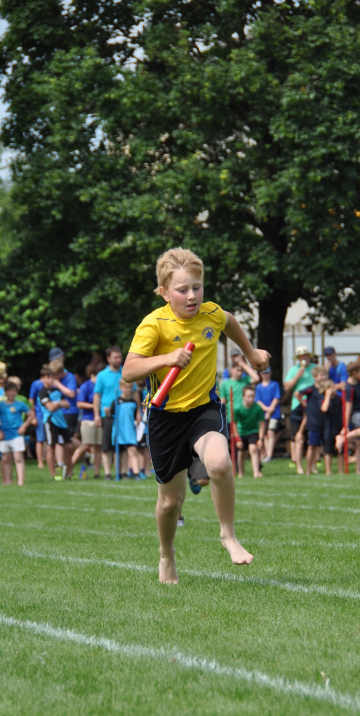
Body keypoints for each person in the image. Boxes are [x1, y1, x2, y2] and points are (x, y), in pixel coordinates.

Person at [123, 246, 270, 584]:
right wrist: (166, 359)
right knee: (171, 502)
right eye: (182, 290)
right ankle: (166, 554)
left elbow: (228, 320)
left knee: (219, 464)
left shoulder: (211, 314)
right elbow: (129, 372)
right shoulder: (153, 324)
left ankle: (228, 535)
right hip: (165, 417)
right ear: (164, 292)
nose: (191, 296)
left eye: (197, 287)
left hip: (204, 409)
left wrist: (250, 352)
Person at [0, 382, 34, 485]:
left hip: (16, 434)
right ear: (5, 392)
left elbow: (31, 414)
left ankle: (20, 481)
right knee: (5, 459)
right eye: (9, 391)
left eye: (14, 391)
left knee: (18, 458)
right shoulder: (0, 405)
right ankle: (7, 480)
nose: (12, 393)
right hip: (4, 434)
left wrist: (24, 426)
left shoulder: (20, 404)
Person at [336, 361, 360, 474]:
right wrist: (346, 425)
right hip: (355, 414)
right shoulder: (349, 388)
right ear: (354, 373)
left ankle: (358, 470)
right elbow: (348, 407)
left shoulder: (358, 383)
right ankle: (344, 437)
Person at [283, 346, 315, 475]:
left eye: (305, 355)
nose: (303, 358)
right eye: (301, 356)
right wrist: (297, 376)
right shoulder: (294, 370)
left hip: (312, 404)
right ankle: (298, 465)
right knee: (297, 437)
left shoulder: (314, 368)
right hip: (297, 405)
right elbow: (287, 387)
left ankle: (312, 465)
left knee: (312, 437)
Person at [94, 346, 123, 480]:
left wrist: (138, 413)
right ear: (108, 359)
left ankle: (121, 472)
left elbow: (134, 392)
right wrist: (96, 415)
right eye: (115, 357)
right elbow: (97, 396)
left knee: (122, 445)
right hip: (107, 415)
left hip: (123, 414)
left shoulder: (126, 372)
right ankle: (107, 473)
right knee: (106, 445)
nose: (118, 360)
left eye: (119, 357)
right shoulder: (102, 375)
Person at [38, 367, 72, 480]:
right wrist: (59, 403)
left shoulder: (57, 391)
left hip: (61, 421)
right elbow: (50, 408)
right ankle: (54, 474)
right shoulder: (42, 392)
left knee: (68, 446)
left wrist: (56, 403)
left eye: (52, 377)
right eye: (47, 377)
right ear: (42, 379)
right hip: (50, 421)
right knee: (51, 447)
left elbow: (67, 404)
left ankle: (69, 473)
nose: (50, 379)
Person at [72, 367, 102, 476]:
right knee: (86, 445)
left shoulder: (101, 386)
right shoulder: (86, 386)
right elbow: (79, 403)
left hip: (100, 419)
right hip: (88, 420)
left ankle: (97, 472)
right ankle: (69, 467)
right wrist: (94, 406)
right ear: (92, 375)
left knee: (98, 446)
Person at [49, 349, 79, 458]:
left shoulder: (69, 377)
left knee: (67, 439)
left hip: (69, 411)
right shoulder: (54, 378)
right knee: (60, 439)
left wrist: (57, 384)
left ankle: (84, 450)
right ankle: (61, 462)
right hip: (57, 412)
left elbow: (71, 394)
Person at [109, 379, 141, 479]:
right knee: (119, 453)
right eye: (126, 387)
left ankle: (134, 473)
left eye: (130, 388)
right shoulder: (116, 401)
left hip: (130, 431)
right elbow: (111, 414)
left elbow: (135, 416)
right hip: (119, 431)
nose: (128, 389)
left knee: (132, 450)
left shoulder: (134, 402)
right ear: (121, 388)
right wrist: (107, 412)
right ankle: (119, 472)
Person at [234, 385, 266, 478]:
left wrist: (261, 439)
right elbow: (234, 424)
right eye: (248, 396)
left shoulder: (257, 408)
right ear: (243, 397)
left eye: (252, 396)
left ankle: (256, 472)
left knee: (253, 448)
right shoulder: (237, 408)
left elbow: (262, 424)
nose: (251, 399)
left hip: (253, 431)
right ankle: (241, 473)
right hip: (241, 432)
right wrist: (237, 439)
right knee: (241, 453)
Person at [255, 367, 281, 463]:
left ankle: (270, 454)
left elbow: (276, 398)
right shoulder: (258, 387)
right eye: (263, 373)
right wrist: (266, 410)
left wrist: (270, 410)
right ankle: (266, 453)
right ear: (260, 374)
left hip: (274, 413)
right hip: (263, 413)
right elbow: (258, 401)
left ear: (270, 373)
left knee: (271, 432)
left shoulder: (274, 384)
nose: (265, 375)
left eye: (267, 373)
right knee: (265, 434)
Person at [29, 366, 48, 468]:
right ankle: (40, 462)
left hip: (50, 414)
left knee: (50, 439)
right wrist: (33, 416)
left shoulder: (52, 385)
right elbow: (31, 400)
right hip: (39, 413)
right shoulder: (36, 384)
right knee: (40, 439)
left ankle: (50, 459)